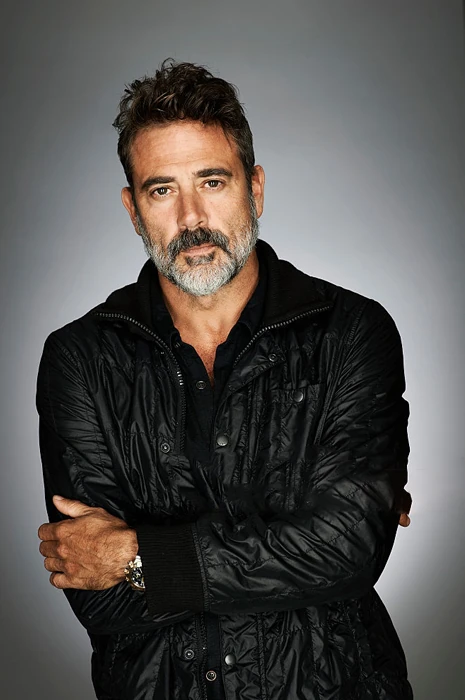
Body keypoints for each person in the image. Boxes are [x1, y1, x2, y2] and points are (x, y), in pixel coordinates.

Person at [36, 59, 413, 700]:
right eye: (162, 190)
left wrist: (139, 557)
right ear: (133, 209)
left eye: (212, 181)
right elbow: (99, 596)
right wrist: (296, 539)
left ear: (254, 189)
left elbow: (350, 547)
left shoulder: (352, 333)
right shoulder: (80, 359)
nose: (192, 218)